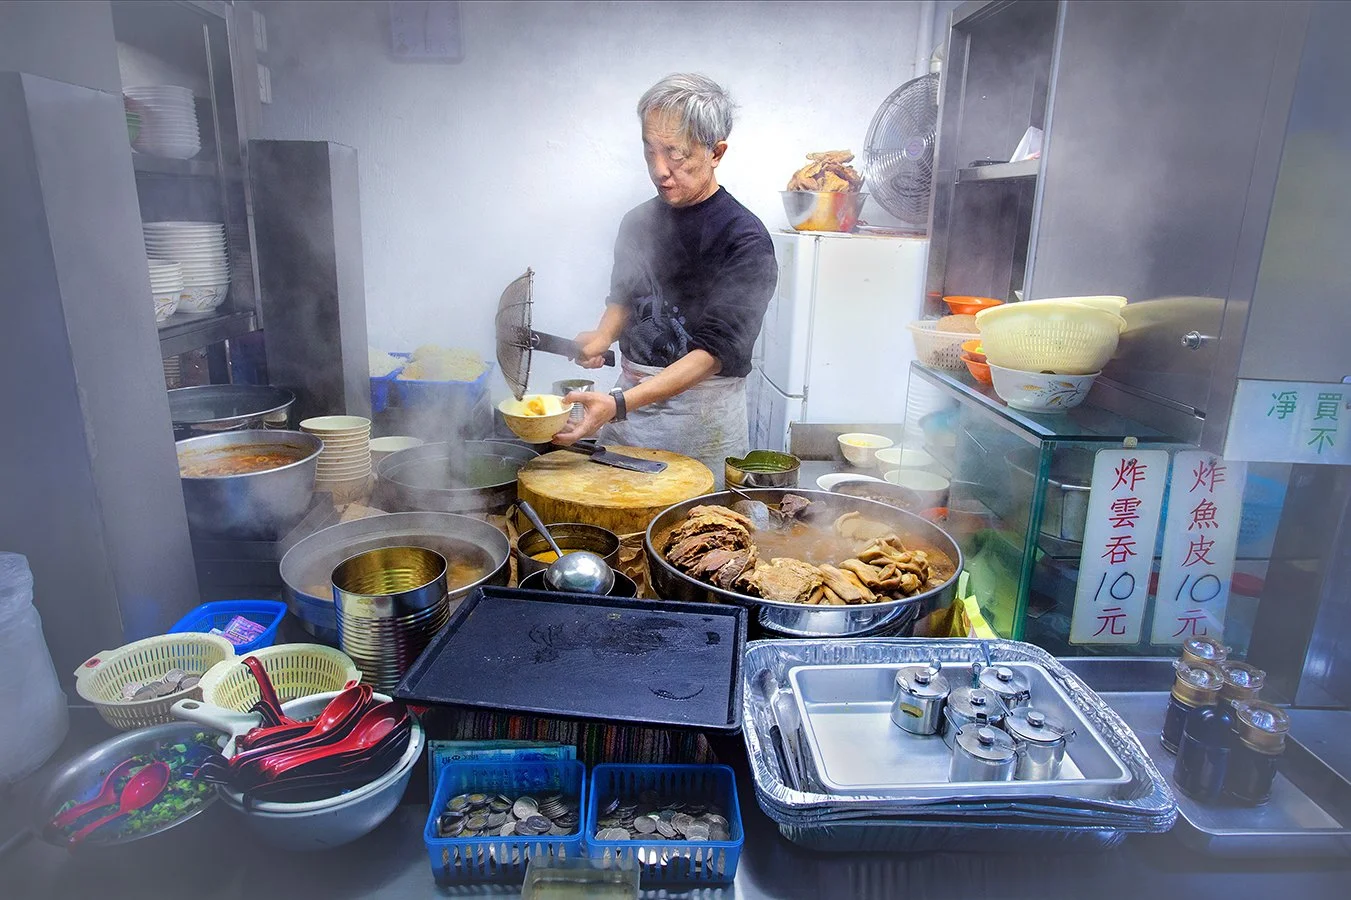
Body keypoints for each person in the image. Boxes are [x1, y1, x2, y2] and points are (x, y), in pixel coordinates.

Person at [552, 73, 777, 480]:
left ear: (716, 152)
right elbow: (624, 295)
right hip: (629, 415)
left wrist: (619, 403)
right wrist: (603, 336)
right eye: (650, 151)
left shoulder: (745, 238)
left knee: (698, 531)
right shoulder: (637, 221)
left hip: (701, 420)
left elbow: (713, 353)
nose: (660, 170)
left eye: (676, 154)